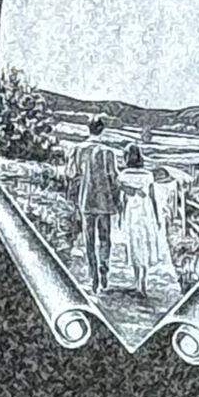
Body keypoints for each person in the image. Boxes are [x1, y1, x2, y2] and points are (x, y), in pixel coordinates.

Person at [118, 144, 179, 291]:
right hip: (146, 211)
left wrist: (120, 216)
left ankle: (137, 279)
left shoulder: (123, 175)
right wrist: (158, 217)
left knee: (134, 242)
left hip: (132, 211)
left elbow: (122, 199)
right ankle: (143, 281)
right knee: (145, 242)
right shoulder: (148, 175)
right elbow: (152, 198)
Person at [74, 116, 123, 292]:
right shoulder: (107, 152)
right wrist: (118, 200)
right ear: (102, 130)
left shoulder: (79, 149)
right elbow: (114, 178)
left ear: (89, 129)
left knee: (88, 239)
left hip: (86, 199)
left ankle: (93, 274)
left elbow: (72, 173)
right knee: (104, 238)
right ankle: (104, 267)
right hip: (104, 200)